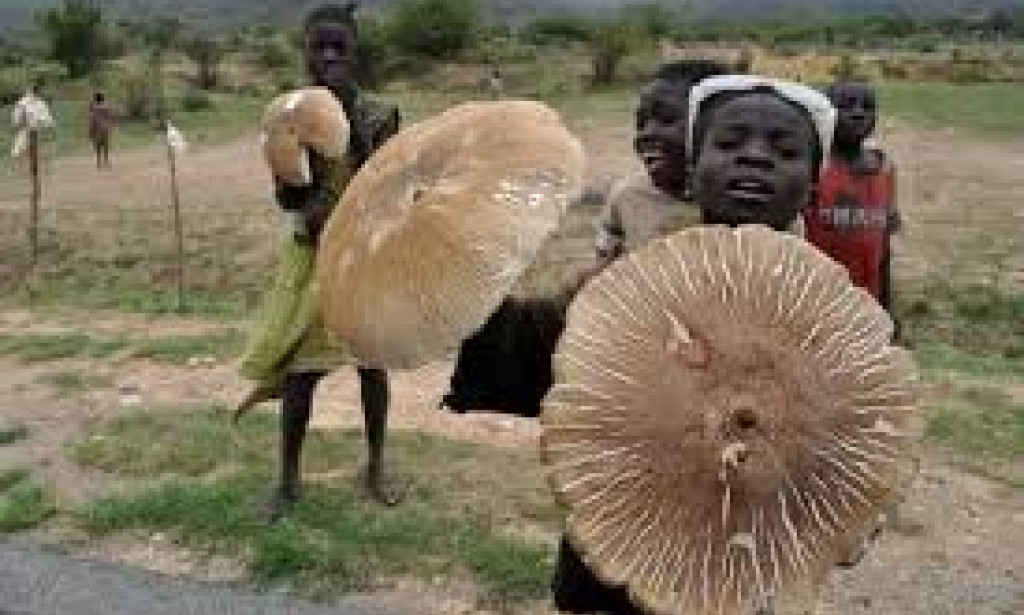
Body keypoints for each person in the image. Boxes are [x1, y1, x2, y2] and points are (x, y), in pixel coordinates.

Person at [236, 2, 403, 522]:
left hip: (366, 257)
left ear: (356, 53)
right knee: (300, 375)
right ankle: (287, 482)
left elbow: (391, 187)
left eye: (340, 47)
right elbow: (286, 197)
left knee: (372, 369)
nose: (329, 56)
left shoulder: (379, 116)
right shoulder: (289, 116)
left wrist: (341, 121)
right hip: (312, 260)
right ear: (305, 54)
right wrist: (302, 198)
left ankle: (376, 469)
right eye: (319, 47)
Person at [805, 79, 900, 334]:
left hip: (866, 304)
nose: (858, 113)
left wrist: (887, 309)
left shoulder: (884, 170)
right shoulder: (813, 169)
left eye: (867, 107)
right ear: (825, 113)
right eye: (846, 106)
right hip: (815, 305)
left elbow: (883, 249)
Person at [88, 91, 116, 169]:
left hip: (97, 129)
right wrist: (111, 125)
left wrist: (90, 131)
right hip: (106, 128)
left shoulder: (94, 108)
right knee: (106, 146)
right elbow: (111, 116)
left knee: (98, 146)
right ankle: (106, 161)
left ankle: (99, 163)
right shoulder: (106, 106)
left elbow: (92, 119)